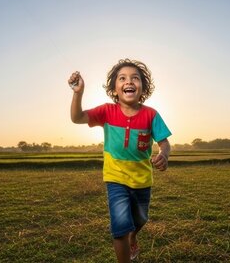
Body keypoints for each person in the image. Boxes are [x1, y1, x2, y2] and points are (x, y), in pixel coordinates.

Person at [68, 58, 172, 262]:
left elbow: (165, 143)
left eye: (135, 78)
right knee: (120, 228)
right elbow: (77, 117)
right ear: (115, 89)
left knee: (140, 220)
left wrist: (164, 155)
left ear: (143, 87)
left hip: (142, 181)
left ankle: (134, 237)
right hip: (115, 180)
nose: (129, 81)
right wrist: (78, 93)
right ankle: (126, 243)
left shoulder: (151, 115)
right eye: (122, 78)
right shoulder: (107, 112)